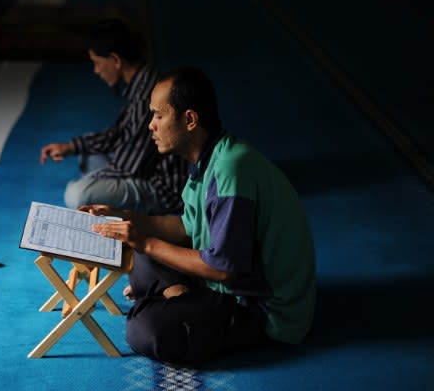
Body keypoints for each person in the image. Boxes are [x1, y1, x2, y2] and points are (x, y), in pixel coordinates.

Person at [84, 66, 316, 366]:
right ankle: (178, 296)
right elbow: (185, 227)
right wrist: (124, 216)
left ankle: (175, 298)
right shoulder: (207, 159)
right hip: (225, 283)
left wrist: (146, 243)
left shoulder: (232, 168)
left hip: (260, 310)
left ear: (190, 120)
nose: (150, 125)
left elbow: (222, 270)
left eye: (158, 115)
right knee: (141, 256)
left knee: (145, 330)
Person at [39, 19, 185, 215]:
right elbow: (119, 135)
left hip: (161, 188)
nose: (96, 71)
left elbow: (128, 167)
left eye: (98, 63)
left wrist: (90, 181)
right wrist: (72, 146)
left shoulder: (145, 99)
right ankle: (99, 192)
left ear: (116, 60)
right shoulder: (145, 77)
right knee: (88, 153)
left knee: (76, 195)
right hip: (141, 166)